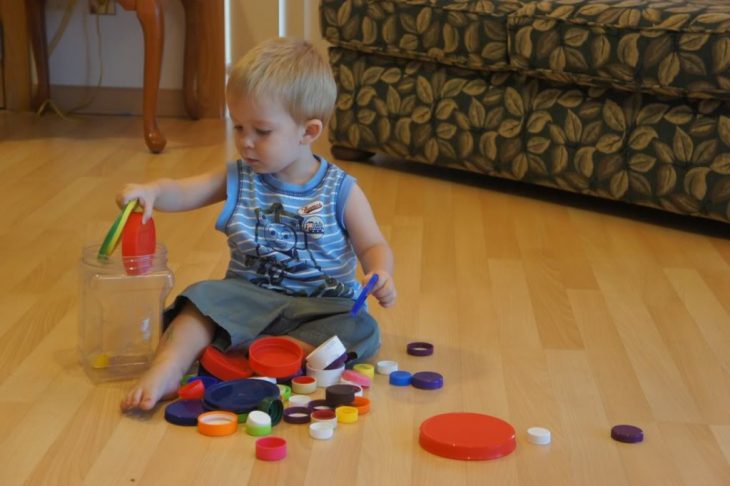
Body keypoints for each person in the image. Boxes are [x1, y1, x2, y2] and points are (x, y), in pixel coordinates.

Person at [118, 38, 396, 411]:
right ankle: (168, 367)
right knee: (200, 300)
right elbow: (184, 191)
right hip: (248, 298)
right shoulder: (239, 177)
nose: (246, 143)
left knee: (362, 329)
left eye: (262, 131)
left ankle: (276, 354)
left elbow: (372, 244)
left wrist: (379, 271)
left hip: (321, 304)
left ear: (308, 132)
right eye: (238, 127)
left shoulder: (341, 190)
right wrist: (152, 192)